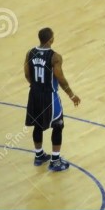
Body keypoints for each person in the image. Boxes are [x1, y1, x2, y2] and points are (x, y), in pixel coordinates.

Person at [24, 27, 81, 172]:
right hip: (49, 96)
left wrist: (35, 85)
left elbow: (27, 74)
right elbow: (60, 79)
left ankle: (39, 156)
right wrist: (71, 95)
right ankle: (55, 161)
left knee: (38, 125)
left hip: (34, 94)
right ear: (51, 40)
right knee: (58, 125)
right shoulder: (55, 57)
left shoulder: (30, 53)